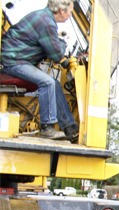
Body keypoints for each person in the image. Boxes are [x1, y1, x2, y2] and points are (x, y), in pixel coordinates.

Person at [1, 0, 80, 142]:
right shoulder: (47, 22)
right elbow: (56, 55)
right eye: (70, 11)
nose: (70, 15)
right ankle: (47, 128)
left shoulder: (44, 18)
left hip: (18, 58)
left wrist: (57, 39)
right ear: (62, 10)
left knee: (54, 83)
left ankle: (70, 129)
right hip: (14, 60)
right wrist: (62, 41)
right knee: (47, 82)